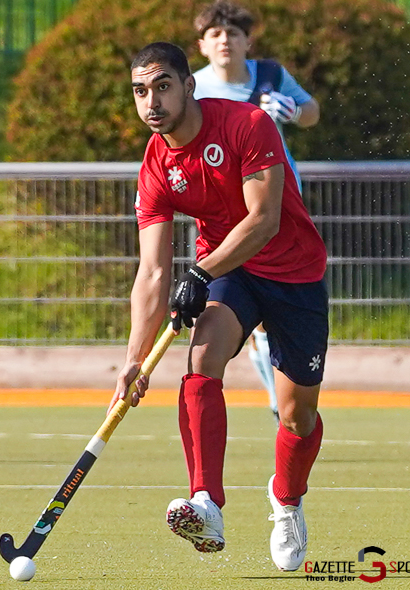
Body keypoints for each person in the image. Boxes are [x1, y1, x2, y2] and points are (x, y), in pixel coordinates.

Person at [116, 41, 328, 571]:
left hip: (295, 273)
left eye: (162, 86)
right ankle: (207, 503)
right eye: (141, 91)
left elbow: (264, 219)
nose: (152, 102)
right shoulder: (156, 165)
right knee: (200, 359)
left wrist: (200, 273)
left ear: (190, 87)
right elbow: (152, 271)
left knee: (298, 416)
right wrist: (135, 360)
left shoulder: (248, 124)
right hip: (233, 274)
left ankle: (286, 497)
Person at [191, 0, 321, 421]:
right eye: (215, 34)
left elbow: (312, 113)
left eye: (233, 33)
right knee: (231, 309)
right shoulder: (193, 88)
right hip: (223, 216)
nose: (225, 40)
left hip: (277, 210)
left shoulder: (270, 75)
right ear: (203, 45)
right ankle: (271, 393)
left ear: (248, 41)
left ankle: (279, 395)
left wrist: (293, 110)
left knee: (274, 312)